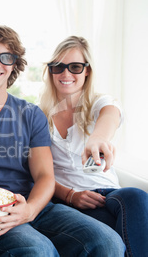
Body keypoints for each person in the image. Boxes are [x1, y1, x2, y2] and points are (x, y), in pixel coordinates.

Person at [0, 25, 125, 256]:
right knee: (38, 250)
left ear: (14, 64)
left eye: (6, 57)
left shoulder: (30, 114)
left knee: (107, 241)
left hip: (36, 205)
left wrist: (29, 210)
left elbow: (45, 177)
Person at [39, 35, 148, 257]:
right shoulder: (39, 116)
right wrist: (71, 195)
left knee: (137, 197)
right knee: (111, 233)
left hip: (109, 194)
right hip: (70, 200)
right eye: (58, 67)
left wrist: (97, 139)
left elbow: (110, 117)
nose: (66, 74)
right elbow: (38, 172)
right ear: (50, 71)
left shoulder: (99, 103)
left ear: (87, 71)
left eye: (75, 67)